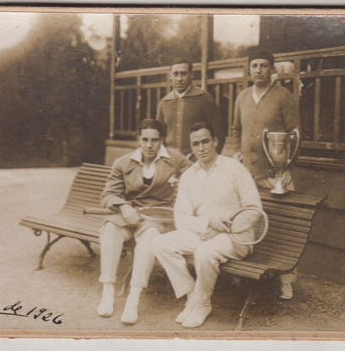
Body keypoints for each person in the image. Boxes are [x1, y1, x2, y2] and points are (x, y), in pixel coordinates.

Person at [153, 122, 261, 328]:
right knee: (160, 244)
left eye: (205, 142)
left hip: (236, 238)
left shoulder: (235, 169)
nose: (201, 148)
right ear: (191, 147)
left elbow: (254, 210)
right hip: (204, 233)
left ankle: (202, 304)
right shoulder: (188, 176)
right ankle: (193, 296)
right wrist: (207, 223)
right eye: (195, 144)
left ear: (215, 142)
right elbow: (181, 218)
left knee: (204, 252)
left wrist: (225, 226)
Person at [98, 119, 191, 325]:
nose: (149, 145)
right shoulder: (123, 162)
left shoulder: (174, 158)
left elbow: (197, 177)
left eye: (154, 140)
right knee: (110, 229)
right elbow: (108, 195)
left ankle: (134, 298)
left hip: (158, 218)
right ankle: (108, 291)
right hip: (128, 212)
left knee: (149, 237)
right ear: (138, 140)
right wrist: (123, 207)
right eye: (145, 139)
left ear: (162, 140)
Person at [231, 49, 300, 300]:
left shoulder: (284, 96)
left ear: (272, 70)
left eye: (263, 66)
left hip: (275, 173)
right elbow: (235, 129)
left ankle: (286, 279)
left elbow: (294, 134)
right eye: (254, 66)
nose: (258, 70)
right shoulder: (242, 96)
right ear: (249, 70)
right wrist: (238, 152)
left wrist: (286, 167)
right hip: (247, 173)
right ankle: (245, 272)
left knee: (283, 225)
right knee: (248, 222)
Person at [156, 58, 225, 157]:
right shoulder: (164, 103)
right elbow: (159, 136)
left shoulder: (205, 98)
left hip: (198, 162)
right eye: (175, 74)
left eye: (183, 74)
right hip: (171, 161)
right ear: (170, 76)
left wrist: (210, 161)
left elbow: (218, 134)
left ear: (191, 75)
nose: (179, 79)